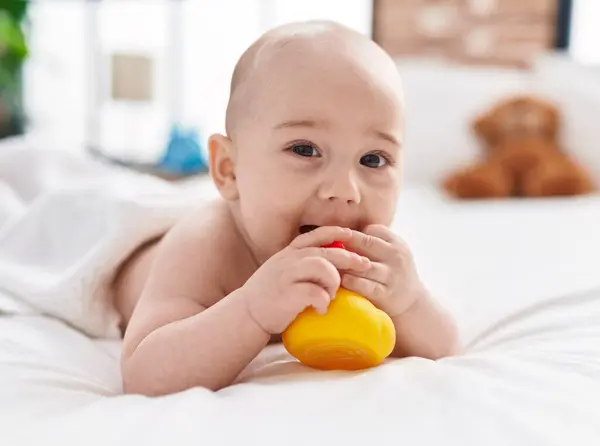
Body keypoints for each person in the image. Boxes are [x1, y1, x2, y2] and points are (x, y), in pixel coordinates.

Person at [113, 20, 460, 396]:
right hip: (130, 251)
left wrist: (409, 302)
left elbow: (446, 348)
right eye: (305, 150)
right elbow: (145, 373)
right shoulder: (206, 246)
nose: (346, 191)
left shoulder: (369, 259)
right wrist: (250, 309)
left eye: (374, 160)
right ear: (229, 170)